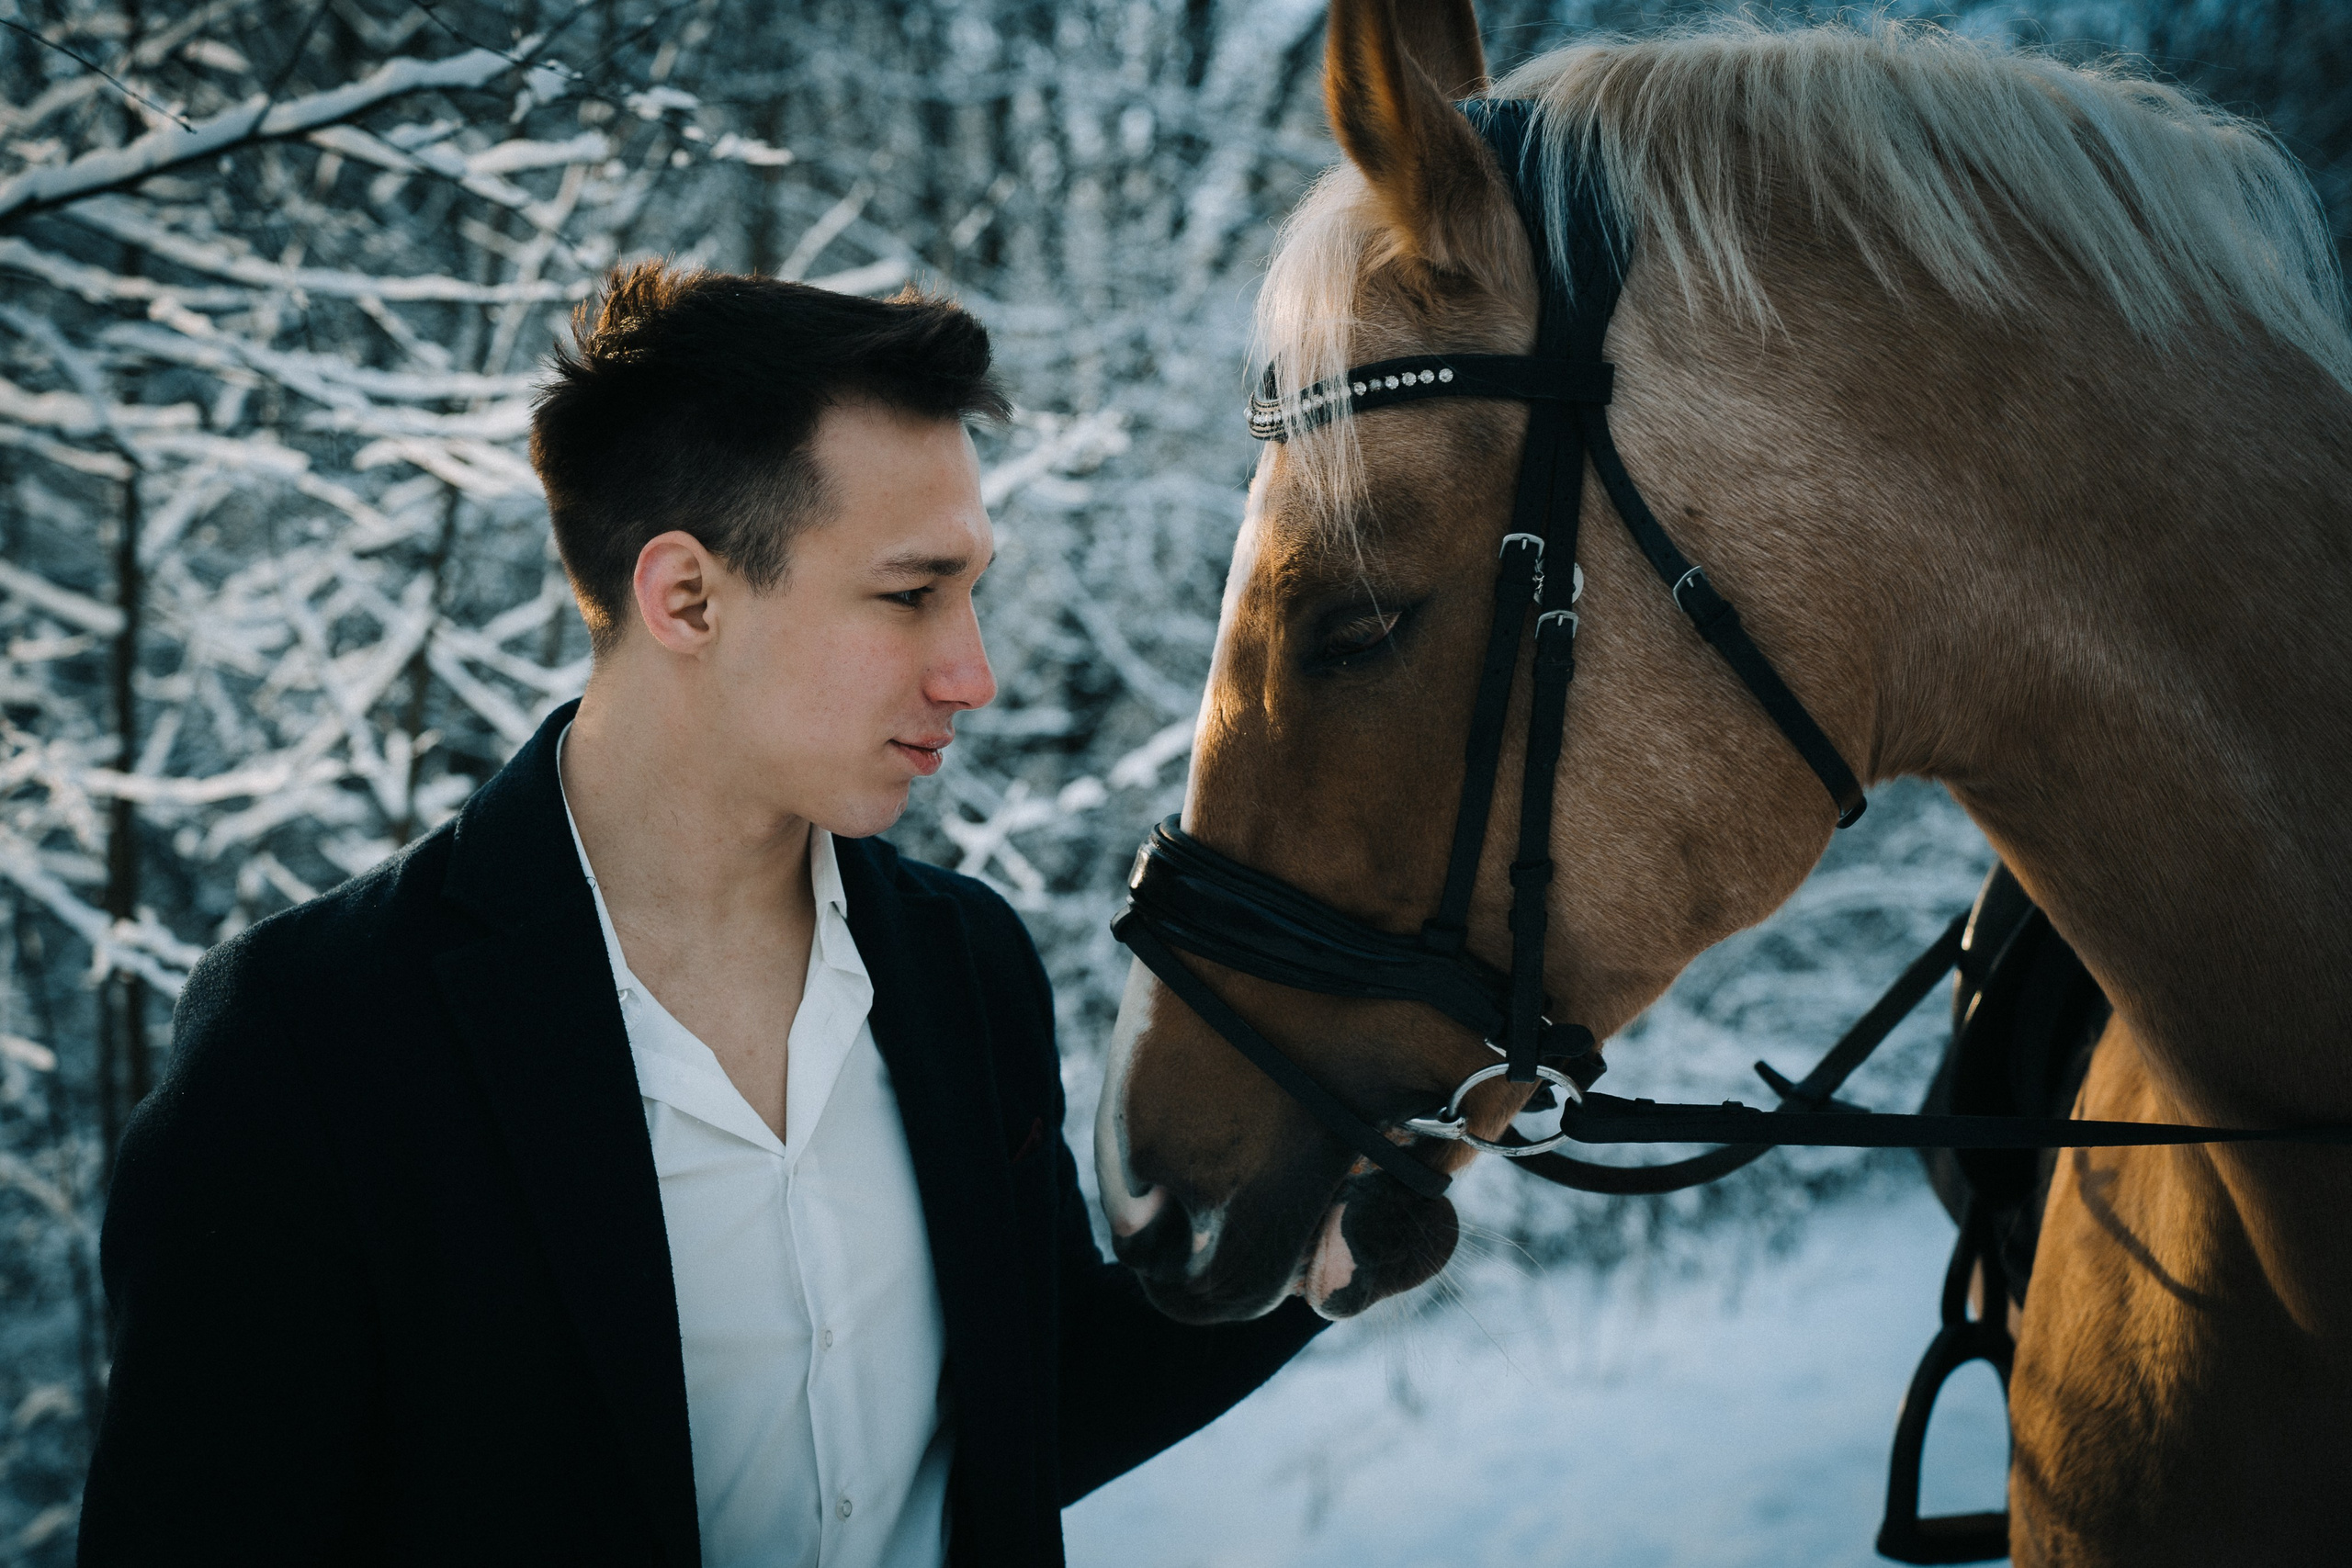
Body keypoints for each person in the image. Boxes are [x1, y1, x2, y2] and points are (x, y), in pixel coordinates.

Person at [79, 264, 1323, 1567]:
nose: (974, 672)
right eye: (909, 595)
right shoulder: (309, 1044)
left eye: (972, 591)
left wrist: (1317, 1251)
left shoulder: (966, 962)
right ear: (684, 597)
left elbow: (1019, 1420)